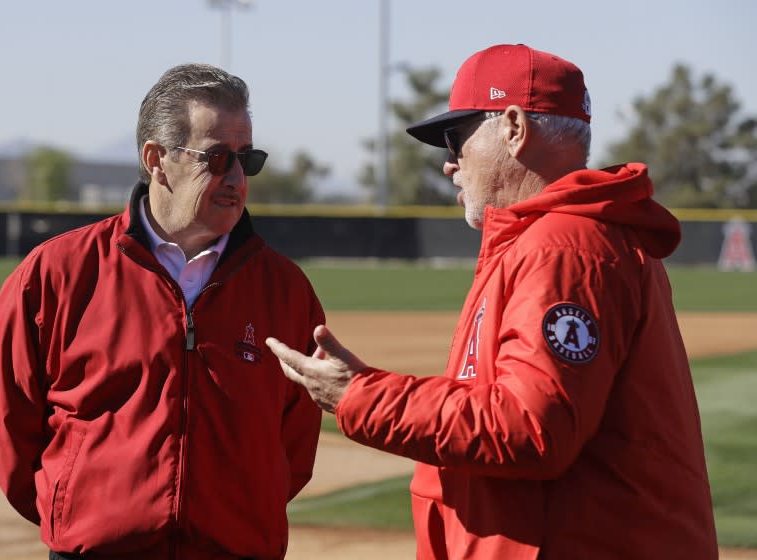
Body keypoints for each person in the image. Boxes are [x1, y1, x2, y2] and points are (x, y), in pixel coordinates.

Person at [266, 44, 718, 559]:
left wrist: (361, 397)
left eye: (456, 139)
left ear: (513, 127)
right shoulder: (552, 240)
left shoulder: (566, 247)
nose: (450, 165)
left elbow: (530, 428)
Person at [0, 63, 325, 559]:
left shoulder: (285, 289)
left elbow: (296, 441)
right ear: (157, 159)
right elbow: (4, 418)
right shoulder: (57, 273)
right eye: (218, 157)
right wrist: (75, 513)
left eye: (248, 158)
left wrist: (238, 516)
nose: (238, 178)